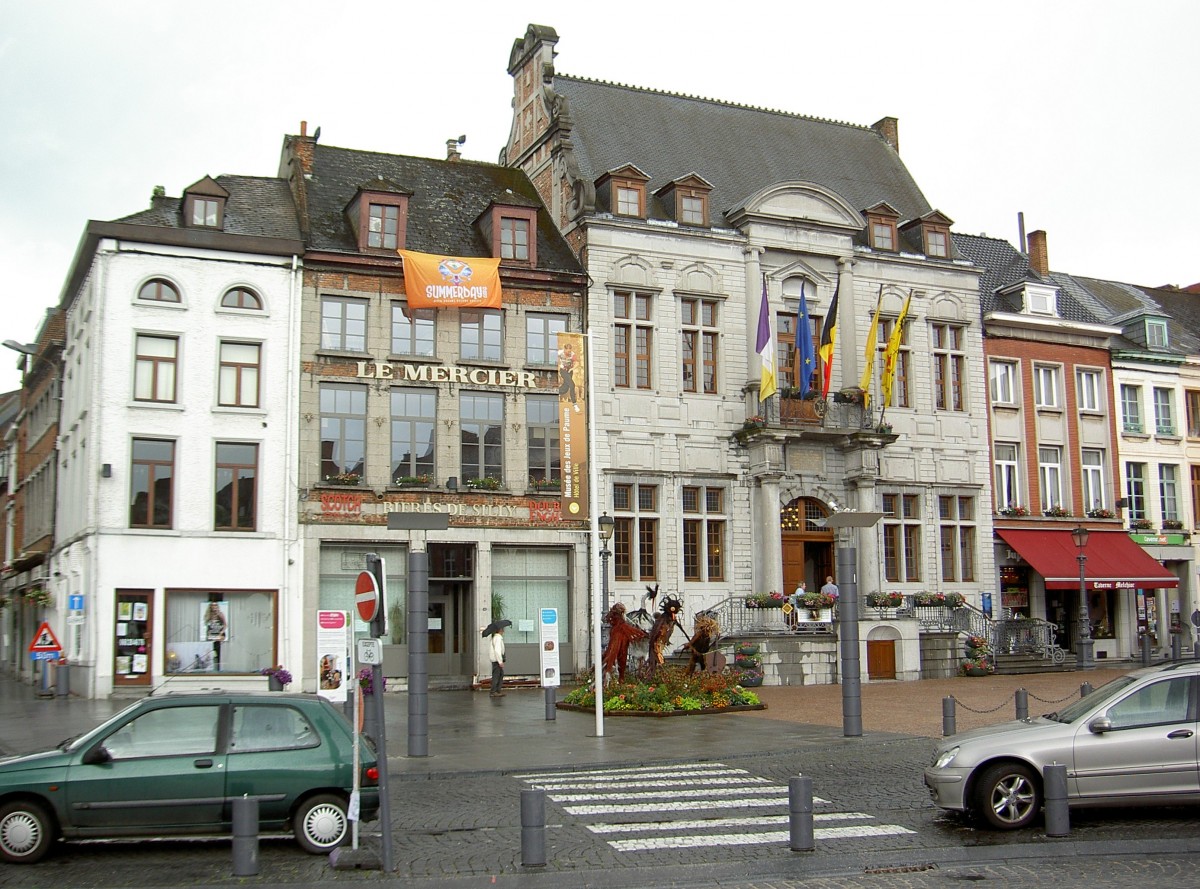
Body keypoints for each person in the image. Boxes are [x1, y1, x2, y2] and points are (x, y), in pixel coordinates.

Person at [489, 624, 506, 697]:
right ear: (500, 630)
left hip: (495, 659)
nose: (503, 631)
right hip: (496, 660)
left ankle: (497, 690)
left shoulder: (495, 638)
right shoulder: (498, 638)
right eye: (502, 629)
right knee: (497, 675)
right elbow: (497, 650)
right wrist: (500, 661)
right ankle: (494, 691)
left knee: (500, 674)